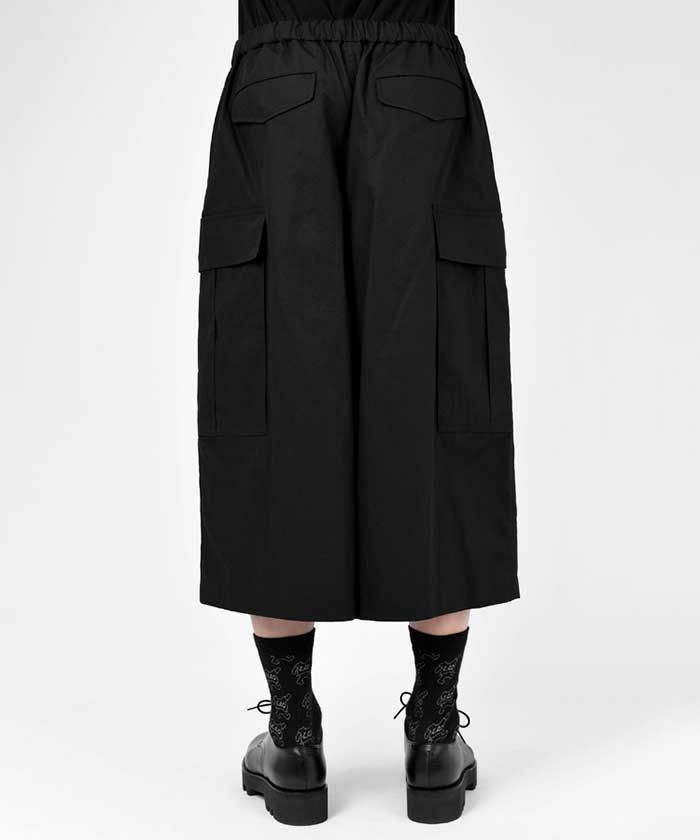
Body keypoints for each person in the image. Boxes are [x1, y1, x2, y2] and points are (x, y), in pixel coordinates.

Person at [196, 0, 519, 825]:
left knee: (278, 389)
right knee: (436, 383)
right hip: (419, 74)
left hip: (278, 75)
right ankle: (435, 736)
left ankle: (294, 742)